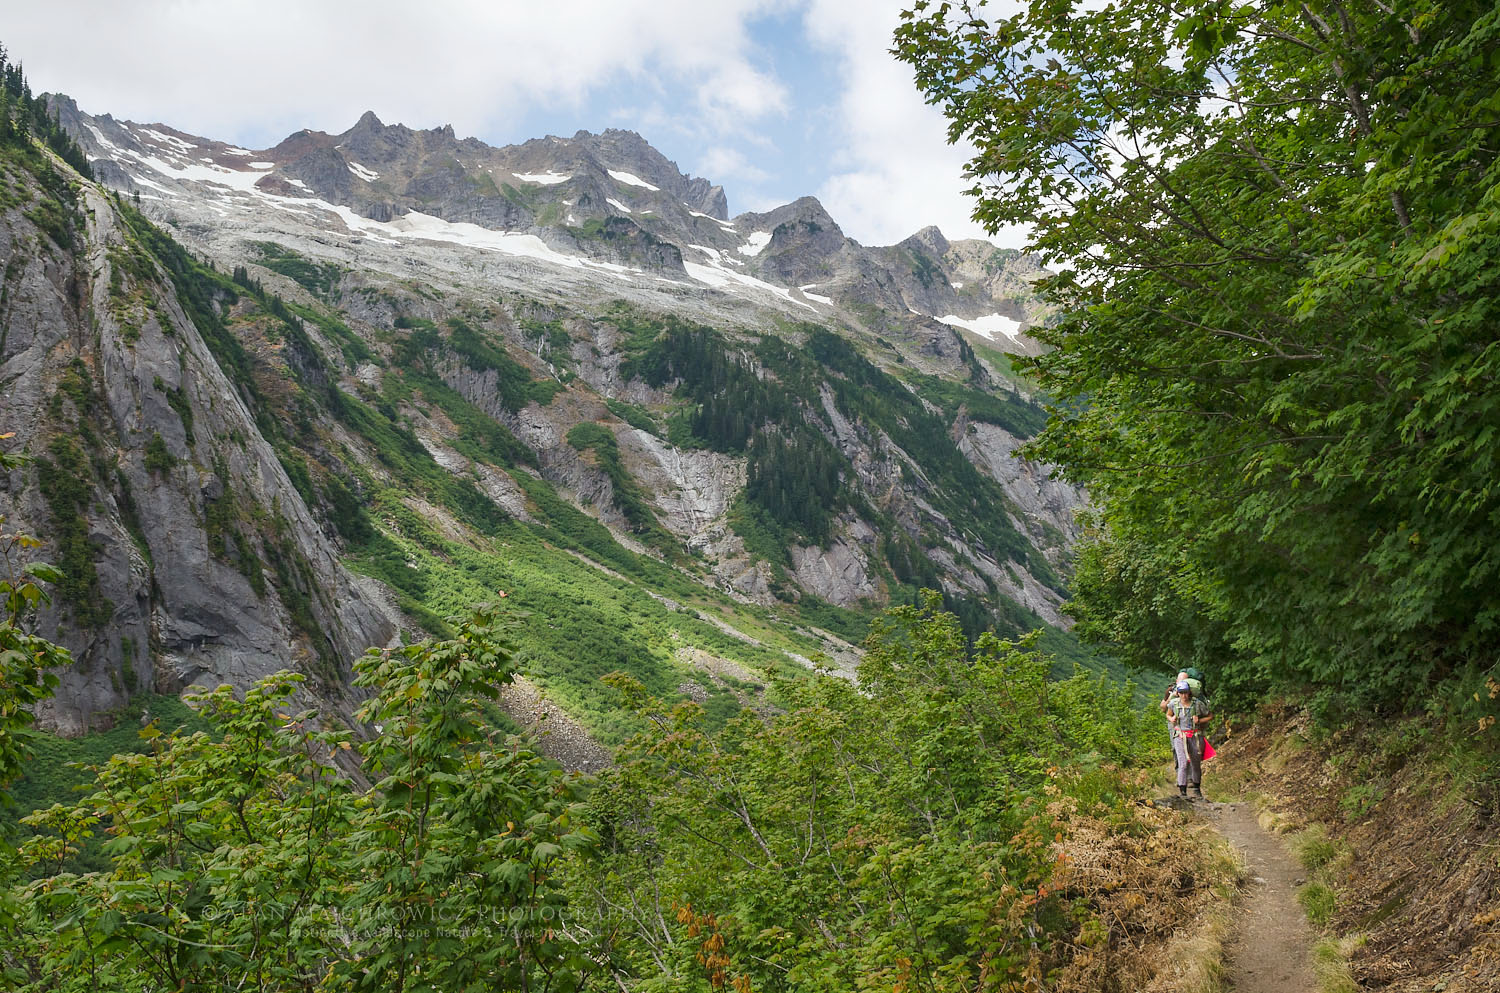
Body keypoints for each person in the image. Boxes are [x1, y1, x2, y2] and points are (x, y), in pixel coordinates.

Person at [1168, 680, 1212, 799]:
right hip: (1180, 736)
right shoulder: (1174, 704)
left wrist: (1200, 721)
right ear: (1178, 693)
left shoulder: (1197, 704)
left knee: (1195, 762)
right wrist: (1171, 719)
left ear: (1189, 693)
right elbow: (1168, 714)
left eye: (1186, 693)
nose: (1184, 695)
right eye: (1181, 693)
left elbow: (1209, 715)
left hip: (1195, 736)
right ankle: (1183, 791)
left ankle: (1197, 788)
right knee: (1182, 763)